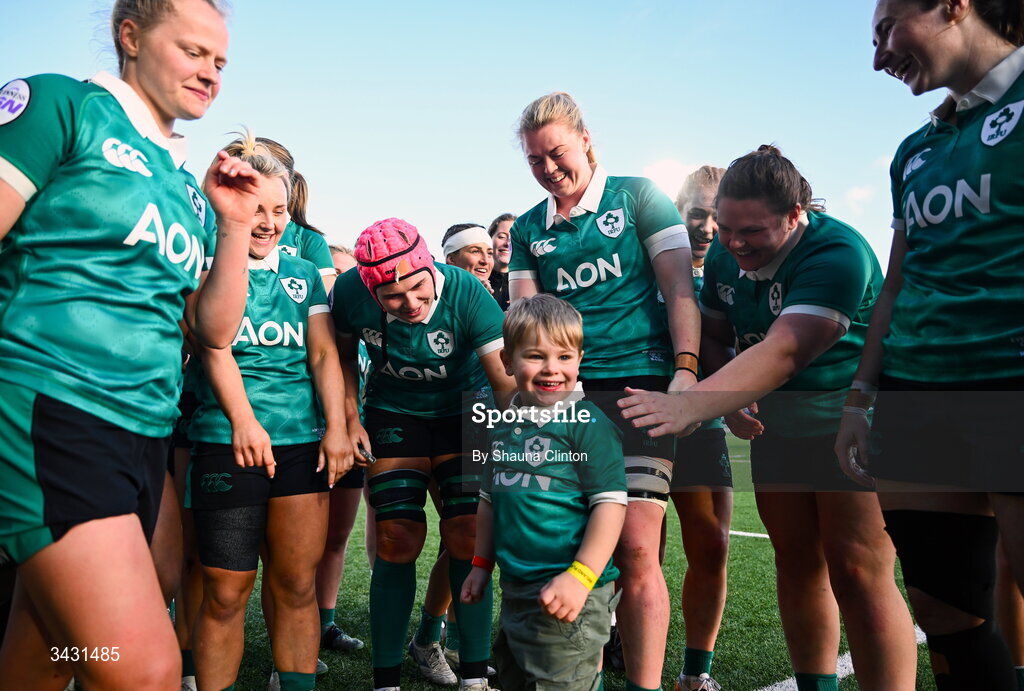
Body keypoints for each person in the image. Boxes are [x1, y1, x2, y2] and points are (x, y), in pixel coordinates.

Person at [0, 1, 260, 688]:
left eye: (221, 62)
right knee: (143, 668)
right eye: (193, 52)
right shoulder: (60, 105)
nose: (210, 73)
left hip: (141, 432)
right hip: (52, 410)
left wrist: (232, 228)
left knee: (48, 648)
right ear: (131, 35)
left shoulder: (189, 187)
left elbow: (209, 331)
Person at [620, 146, 917, 691]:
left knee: (857, 570)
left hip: (851, 422)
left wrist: (692, 401)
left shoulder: (838, 251)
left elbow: (784, 351)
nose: (732, 243)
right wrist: (732, 392)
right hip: (779, 430)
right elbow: (713, 334)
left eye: (750, 231)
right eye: (725, 227)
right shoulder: (729, 257)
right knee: (797, 562)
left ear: (796, 214)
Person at [833, 1, 1024, 687]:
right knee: (949, 621)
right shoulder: (914, 150)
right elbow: (897, 284)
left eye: (886, 31)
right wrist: (861, 397)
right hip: (918, 397)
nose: (879, 56)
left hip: (1009, 382)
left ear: (953, 5)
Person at [508, 91, 700, 691]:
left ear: (586, 138)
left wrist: (686, 374)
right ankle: (579, 671)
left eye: (556, 152)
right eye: (536, 160)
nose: (548, 168)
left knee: (638, 546)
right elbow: (523, 316)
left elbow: (679, 291)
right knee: (571, 538)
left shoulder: (638, 195)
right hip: (566, 393)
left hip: (642, 384)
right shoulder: (527, 229)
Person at [188, 130, 353, 691]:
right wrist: (242, 420)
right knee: (225, 591)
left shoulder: (305, 273)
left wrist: (336, 428)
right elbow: (213, 347)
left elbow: (326, 354)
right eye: (257, 209)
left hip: (300, 445)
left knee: (296, 585)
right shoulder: (206, 263)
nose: (268, 222)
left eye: (279, 210)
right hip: (224, 440)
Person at [332, 218, 513, 691]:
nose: (410, 304)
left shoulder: (468, 293)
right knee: (396, 538)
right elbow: (341, 359)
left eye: (418, 289)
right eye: (393, 298)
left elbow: (505, 384)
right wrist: (350, 419)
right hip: (395, 411)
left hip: (464, 409)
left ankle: (474, 675)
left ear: (431, 266)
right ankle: (386, 680)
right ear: (371, 291)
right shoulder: (349, 289)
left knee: (468, 536)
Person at [461, 293, 627, 690]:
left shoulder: (587, 423)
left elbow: (611, 506)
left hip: (572, 588)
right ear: (506, 361)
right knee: (517, 678)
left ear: (579, 360)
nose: (552, 369)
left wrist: (581, 576)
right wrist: (481, 565)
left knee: (562, 681)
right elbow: (489, 500)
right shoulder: (501, 421)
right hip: (517, 586)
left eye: (565, 357)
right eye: (536, 356)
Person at [666, 166, 734, 691]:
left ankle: (696, 670)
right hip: (642, 416)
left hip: (704, 419)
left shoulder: (735, 267)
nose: (707, 226)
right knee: (630, 544)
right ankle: (615, 633)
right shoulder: (650, 258)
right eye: (697, 212)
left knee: (710, 545)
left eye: (716, 214)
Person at [313, 244, 366, 656]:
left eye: (348, 274)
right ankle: (295, 636)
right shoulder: (305, 325)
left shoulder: (359, 333)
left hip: (353, 440)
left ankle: (325, 625)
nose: (338, 283)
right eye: (332, 273)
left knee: (337, 538)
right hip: (305, 436)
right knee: (296, 546)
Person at [442, 223, 496, 294]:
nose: (485, 261)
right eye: (476, 251)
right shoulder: (433, 294)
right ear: (451, 259)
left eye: (490, 253)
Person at [488, 213, 516, 311]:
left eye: (513, 238)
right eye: (501, 237)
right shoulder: (478, 279)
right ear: (489, 239)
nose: (507, 243)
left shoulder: (526, 282)